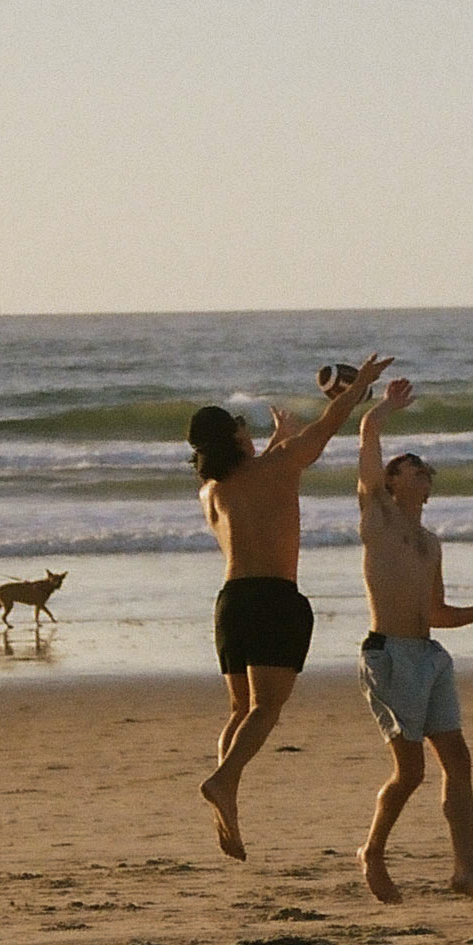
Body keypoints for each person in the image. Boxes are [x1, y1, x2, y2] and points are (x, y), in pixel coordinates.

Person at [187, 351, 391, 861]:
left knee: (240, 710)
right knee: (266, 708)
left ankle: (228, 800)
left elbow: (266, 477)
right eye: (244, 429)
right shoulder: (274, 467)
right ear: (237, 438)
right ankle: (224, 780)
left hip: (230, 603)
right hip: (274, 597)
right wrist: (359, 384)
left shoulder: (211, 491)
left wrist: (282, 436)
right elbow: (329, 427)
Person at [352, 377, 473, 905]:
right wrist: (383, 410)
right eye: (406, 465)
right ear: (392, 482)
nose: (416, 468)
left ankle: (465, 868)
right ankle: (372, 851)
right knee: (410, 771)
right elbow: (367, 437)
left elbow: (435, 611)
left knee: (457, 760)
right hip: (389, 655)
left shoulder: (430, 542)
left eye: (420, 466)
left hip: (428, 656)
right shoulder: (377, 514)